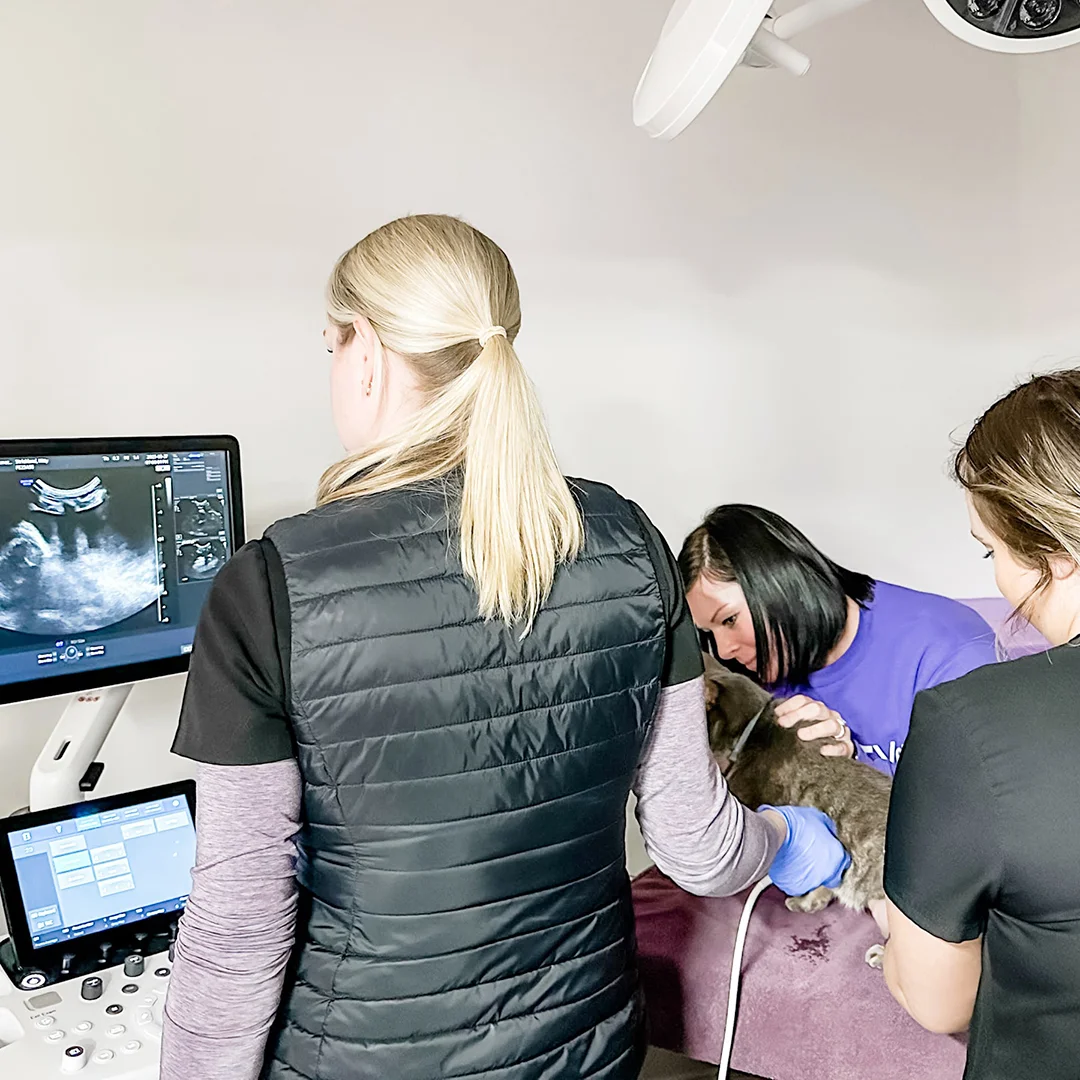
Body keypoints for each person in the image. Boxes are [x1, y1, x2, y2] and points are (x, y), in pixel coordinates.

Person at [158, 215, 849, 1080]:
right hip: (587, 1051)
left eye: (330, 346)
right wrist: (784, 833)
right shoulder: (630, 542)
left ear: (364, 353)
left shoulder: (269, 586)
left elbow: (238, 926)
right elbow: (701, 848)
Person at [883, 369, 1080, 1078]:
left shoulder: (968, 724)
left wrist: (890, 915)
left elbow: (939, 1003)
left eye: (990, 550)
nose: (996, 575)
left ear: (1055, 556)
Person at [679, 505, 998, 775]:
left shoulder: (950, 652)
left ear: (779, 584)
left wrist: (853, 761)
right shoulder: (751, 685)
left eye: (729, 619)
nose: (723, 650)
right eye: (708, 633)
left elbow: (977, 811)